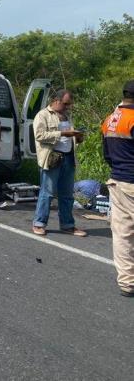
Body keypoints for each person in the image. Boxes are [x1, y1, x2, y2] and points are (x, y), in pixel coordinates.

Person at [32, 89, 87, 236]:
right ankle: (39, 223)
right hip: (52, 158)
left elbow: (71, 138)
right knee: (47, 192)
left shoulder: (67, 117)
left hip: (68, 158)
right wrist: (63, 133)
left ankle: (67, 225)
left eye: (69, 105)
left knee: (67, 194)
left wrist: (78, 136)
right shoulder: (43, 115)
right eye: (65, 104)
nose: (67, 107)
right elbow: (39, 135)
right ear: (56, 100)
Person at [101, 80, 134, 297]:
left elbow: (106, 155)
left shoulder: (109, 120)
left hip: (118, 180)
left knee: (123, 234)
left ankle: (127, 283)